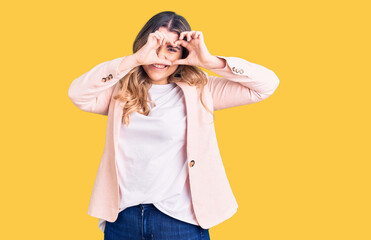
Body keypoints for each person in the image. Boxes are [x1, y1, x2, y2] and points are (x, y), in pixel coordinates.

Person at [68, 10, 279, 240]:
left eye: (171, 49)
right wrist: (134, 60)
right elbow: (77, 94)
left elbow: (267, 84)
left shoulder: (202, 90)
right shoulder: (120, 92)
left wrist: (209, 61)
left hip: (179, 220)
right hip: (123, 218)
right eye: (154, 46)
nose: (160, 57)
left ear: (184, 52)